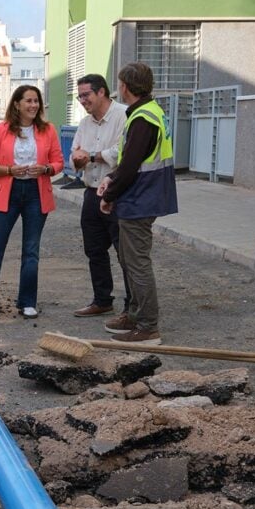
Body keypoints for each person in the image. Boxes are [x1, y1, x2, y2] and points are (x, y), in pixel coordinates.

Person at [0, 84, 63, 320]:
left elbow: (58, 162)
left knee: (31, 251)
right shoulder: (2, 129)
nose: (33, 105)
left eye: (36, 101)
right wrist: (9, 169)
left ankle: (28, 302)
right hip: (8, 190)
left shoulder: (48, 130)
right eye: (28, 101)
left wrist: (46, 168)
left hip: (36, 192)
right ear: (17, 104)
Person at [97, 62, 178, 345]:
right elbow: (130, 161)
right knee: (130, 260)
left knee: (136, 262)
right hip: (145, 194)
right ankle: (134, 315)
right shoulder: (149, 112)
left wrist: (109, 196)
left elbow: (131, 166)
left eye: (119, 83)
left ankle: (147, 326)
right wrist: (111, 178)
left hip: (140, 197)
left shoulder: (143, 117)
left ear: (125, 87)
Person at [69, 74, 129, 318]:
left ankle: (132, 305)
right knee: (94, 250)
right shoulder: (85, 123)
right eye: (79, 96)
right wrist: (79, 158)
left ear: (102, 92)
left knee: (124, 252)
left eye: (86, 95)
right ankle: (102, 299)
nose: (82, 100)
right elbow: (75, 155)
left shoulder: (123, 115)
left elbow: (121, 151)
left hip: (117, 193)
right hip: (91, 192)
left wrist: (92, 155)